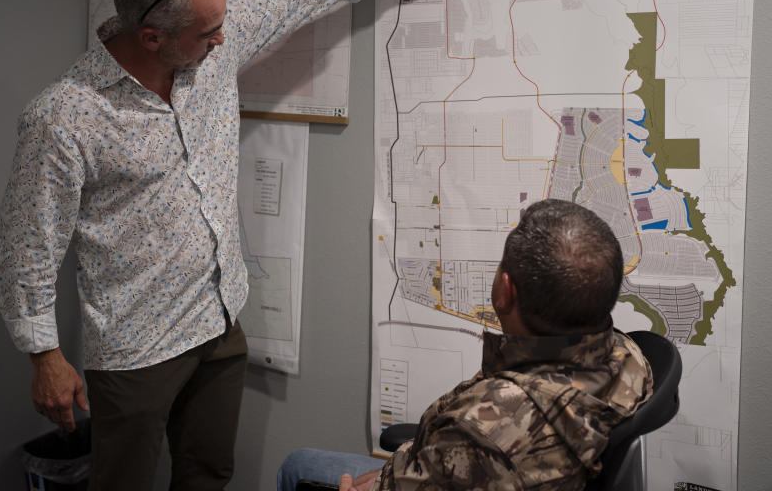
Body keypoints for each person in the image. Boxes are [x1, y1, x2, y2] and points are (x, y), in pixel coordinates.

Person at [0, 0, 480, 491]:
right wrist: (44, 357)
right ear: (151, 37)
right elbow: (23, 252)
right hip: (135, 348)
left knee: (208, 475)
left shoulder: (205, 48)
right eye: (209, 32)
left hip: (218, 322)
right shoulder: (64, 117)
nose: (226, 38)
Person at [278, 199, 654, 491]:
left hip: (471, 469)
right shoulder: (630, 356)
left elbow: (474, 453)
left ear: (504, 291)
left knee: (298, 466)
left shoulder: (480, 431)